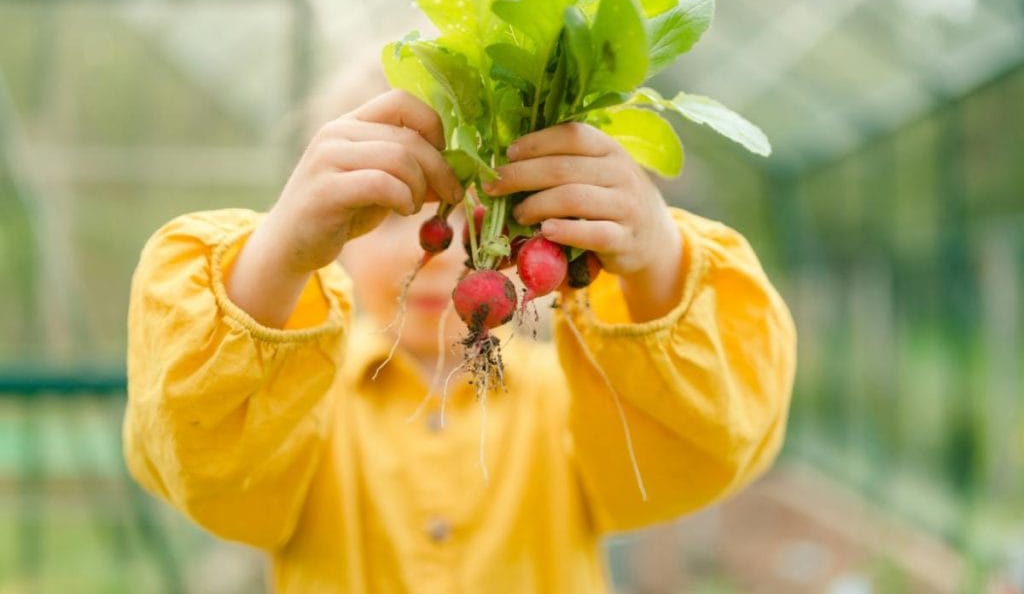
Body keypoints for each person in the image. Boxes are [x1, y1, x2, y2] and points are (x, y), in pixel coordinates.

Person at [122, 88, 797, 593]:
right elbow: (189, 451)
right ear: (332, 240)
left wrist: (656, 255)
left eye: (474, 225)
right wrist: (277, 251)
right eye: (386, 219)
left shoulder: (575, 397)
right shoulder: (289, 401)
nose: (439, 254)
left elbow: (718, 440)